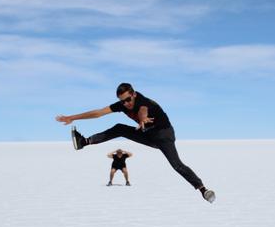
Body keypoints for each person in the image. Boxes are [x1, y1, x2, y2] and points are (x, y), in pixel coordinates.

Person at [55, 83, 216, 202]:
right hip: (147, 135)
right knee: (120, 128)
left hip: (164, 135)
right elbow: (98, 113)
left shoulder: (144, 102)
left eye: (128, 99)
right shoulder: (122, 105)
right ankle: (85, 141)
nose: (126, 104)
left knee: (176, 165)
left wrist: (143, 119)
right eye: (122, 101)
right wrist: (72, 117)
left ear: (134, 94)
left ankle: (202, 189)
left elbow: (142, 111)